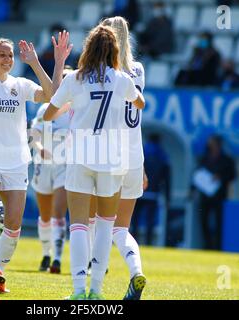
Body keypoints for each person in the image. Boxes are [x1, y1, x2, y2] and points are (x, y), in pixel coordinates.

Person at [0, 31, 72, 293]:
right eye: (1, 54)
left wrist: (38, 63)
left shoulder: (21, 85)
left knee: (14, 226)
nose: (7, 59)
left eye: (10, 55)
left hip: (17, 161)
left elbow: (53, 95)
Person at [44, 25, 145, 300]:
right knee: (105, 223)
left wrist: (73, 104)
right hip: (112, 159)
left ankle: (78, 290)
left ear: (88, 48)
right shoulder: (121, 78)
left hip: (80, 155)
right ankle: (96, 291)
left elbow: (49, 115)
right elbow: (140, 104)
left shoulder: (75, 79)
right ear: (113, 50)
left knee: (78, 223)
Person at [87, 16, 148, 300]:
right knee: (121, 228)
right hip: (135, 155)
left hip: (108, 154)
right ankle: (136, 272)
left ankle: (89, 283)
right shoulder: (138, 69)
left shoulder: (104, 72)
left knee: (99, 222)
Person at [30, 66, 73, 274]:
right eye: (61, 80)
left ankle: (57, 259)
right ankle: (46, 253)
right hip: (42, 164)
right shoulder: (45, 107)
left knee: (58, 212)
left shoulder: (75, 110)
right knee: (44, 215)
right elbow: (34, 134)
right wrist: (39, 148)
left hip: (64, 165)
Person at [191, 135, 236, 250]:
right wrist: (191, 190)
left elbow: (232, 175)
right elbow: (197, 175)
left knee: (219, 223)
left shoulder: (226, 159)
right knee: (203, 222)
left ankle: (218, 247)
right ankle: (207, 245)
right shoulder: (205, 158)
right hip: (205, 196)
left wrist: (220, 177)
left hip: (219, 196)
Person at [131, 133, 171, 246]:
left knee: (134, 220)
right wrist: (168, 197)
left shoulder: (142, 150)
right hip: (154, 193)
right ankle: (148, 243)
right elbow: (167, 177)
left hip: (138, 191)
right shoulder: (162, 154)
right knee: (150, 222)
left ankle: (133, 242)